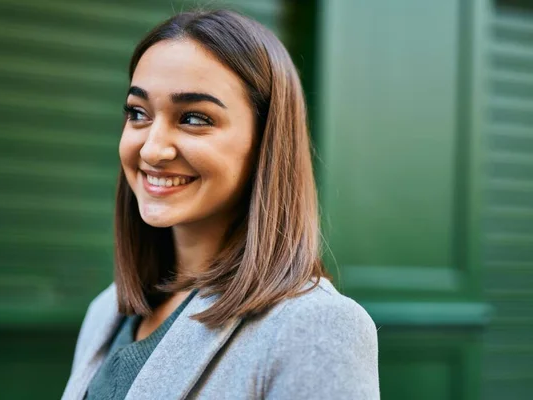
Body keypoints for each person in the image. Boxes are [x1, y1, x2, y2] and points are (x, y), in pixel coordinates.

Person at [62, 9, 379, 400]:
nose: (153, 148)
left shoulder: (317, 326)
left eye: (194, 118)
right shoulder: (107, 311)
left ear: (266, 141)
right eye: (138, 113)